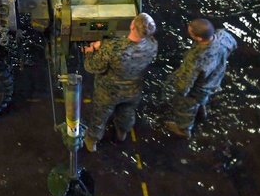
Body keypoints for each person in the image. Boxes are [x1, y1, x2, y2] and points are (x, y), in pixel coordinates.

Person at [82, 13, 158, 152]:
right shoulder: (152, 45)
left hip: (108, 91)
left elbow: (92, 67)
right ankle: (122, 133)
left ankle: (92, 140)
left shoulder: (112, 48)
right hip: (133, 90)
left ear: (132, 25)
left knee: (100, 115)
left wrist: (90, 51)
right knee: (127, 112)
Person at [166, 18, 237, 139]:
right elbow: (233, 45)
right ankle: (201, 110)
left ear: (199, 39)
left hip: (199, 89)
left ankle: (184, 129)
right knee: (202, 98)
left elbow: (185, 83)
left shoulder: (196, 59)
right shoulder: (223, 36)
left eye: (191, 32)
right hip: (215, 80)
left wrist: (179, 94)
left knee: (185, 107)